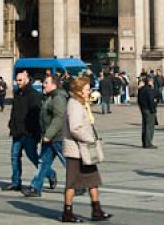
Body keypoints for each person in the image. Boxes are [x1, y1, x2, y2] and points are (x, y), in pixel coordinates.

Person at [61, 76, 112, 222]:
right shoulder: (74, 104)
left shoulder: (81, 103)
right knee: (72, 182)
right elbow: (75, 128)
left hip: (85, 150)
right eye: (87, 89)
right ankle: (67, 212)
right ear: (79, 90)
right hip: (76, 151)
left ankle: (97, 210)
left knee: (92, 180)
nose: (89, 91)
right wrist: (90, 139)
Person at [3, 69, 53, 192]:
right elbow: (14, 112)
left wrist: (36, 133)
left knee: (33, 157)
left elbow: (36, 115)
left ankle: (51, 174)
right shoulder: (17, 93)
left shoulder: (33, 95)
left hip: (28, 132)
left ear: (27, 80)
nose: (18, 82)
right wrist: (11, 124)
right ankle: (16, 182)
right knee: (15, 157)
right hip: (17, 131)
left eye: (20, 80)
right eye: (17, 80)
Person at [23, 73, 67, 198]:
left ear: (54, 84)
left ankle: (80, 185)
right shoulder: (49, 97)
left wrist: (49, 134)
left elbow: (59, 118)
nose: (43, 84)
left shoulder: (58, 98)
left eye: (46, 82)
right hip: (49, 138)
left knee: (68, 162)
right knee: (43, 163)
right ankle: (36, 188)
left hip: (58, 137)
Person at [137, 76, 157, 149]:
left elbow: (138, 100)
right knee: (149, 127)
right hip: (149, 110)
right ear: (150, 81)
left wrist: (141, 108)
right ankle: (148, 143)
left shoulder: (141, 89)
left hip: (143, 109)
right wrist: (153, 109)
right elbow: (151, 100)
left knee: (145, 126)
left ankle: (144, 142)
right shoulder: (149, 90)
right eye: (152, 81)